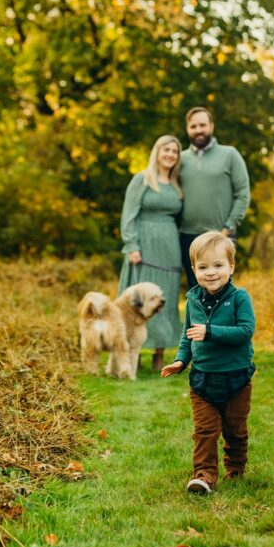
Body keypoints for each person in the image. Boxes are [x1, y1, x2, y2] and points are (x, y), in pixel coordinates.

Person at [161, 231, 256, 495]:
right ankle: (204, 475)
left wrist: (211, 331)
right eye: (203, 267)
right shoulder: (192, 301)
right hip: (202, 379)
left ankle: (236, 468)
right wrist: (181, 361)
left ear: (231, 266)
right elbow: (187, 336)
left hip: (235, 378)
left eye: (218, 266)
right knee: (205, 430)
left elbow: (245, 331)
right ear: (193, 270)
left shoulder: (239, 298)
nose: (211, 273)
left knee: (235, 430)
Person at [117, 134, 184, 373]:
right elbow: (128, 215)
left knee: (166, 300)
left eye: (174, 151)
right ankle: (125, 354)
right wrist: (132, 245)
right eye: (166, 150)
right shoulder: (142, 180)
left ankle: (160, 354)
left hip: (169, 248)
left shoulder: (177, 185)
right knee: (136, 301)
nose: (170, 155)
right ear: (157, 152)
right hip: (143, 248)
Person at [178, 107, 251, 290]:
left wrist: (228, 228)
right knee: (195, 290)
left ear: (211, 126)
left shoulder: (230, 154)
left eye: (203, 125)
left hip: (221, 234)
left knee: (222, 289)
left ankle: (225, 321)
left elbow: (242, 193)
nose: (198, 130)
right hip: (187, 235)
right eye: (193, 126)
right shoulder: (179, 159)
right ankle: (197, 321)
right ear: (188, 129)